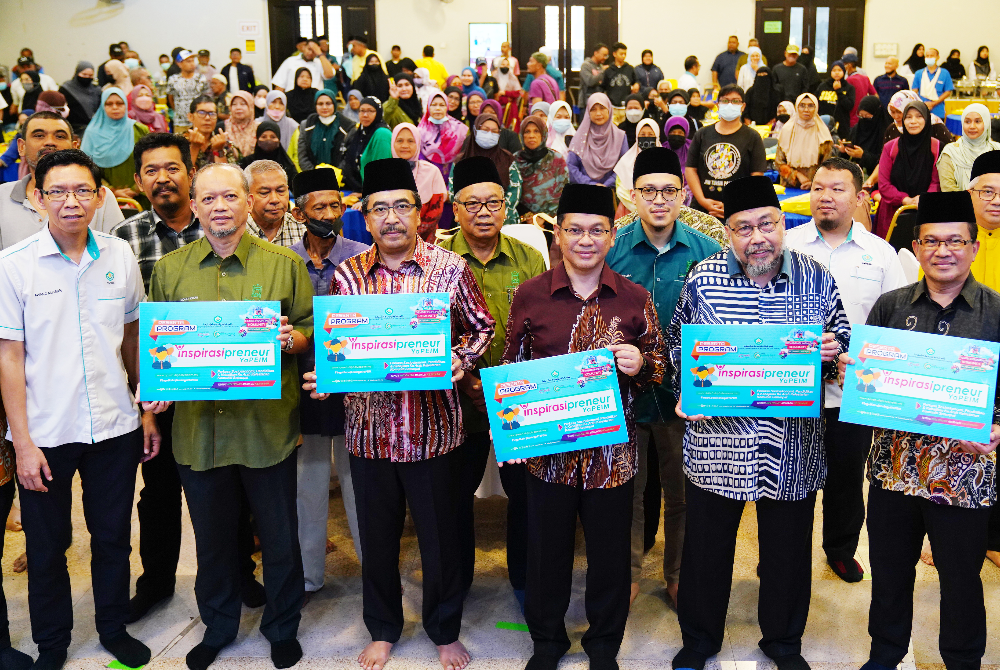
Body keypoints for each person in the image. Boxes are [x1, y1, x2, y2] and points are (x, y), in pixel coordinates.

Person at [302, 157, 493, 670]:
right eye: (379, 208)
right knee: (378, 540)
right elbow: (339, 347)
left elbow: (482, 327)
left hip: (434, 432)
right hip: (369, 434)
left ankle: (444, 630)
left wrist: (456, 361)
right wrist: (328, 376)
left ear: (419, 214)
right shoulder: (346, 275)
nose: (391, 218)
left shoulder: (449, 269)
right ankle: (383, 628)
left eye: (401, 207)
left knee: (440, 540)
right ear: (363, 219)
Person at [667, 174, 850, 670]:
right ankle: (701, 639)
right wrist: (686, 390)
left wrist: (833, 352)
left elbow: (843, 342)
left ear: (783, 224)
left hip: (792, 447)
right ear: (728, 232)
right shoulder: (703, 279)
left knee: (788, 554)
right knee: (706, 552)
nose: (757, 237)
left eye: (766, 224)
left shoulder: (816, 278)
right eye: (743, 228)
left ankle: (784, 643)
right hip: (718, 446)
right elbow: (675, 348)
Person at [145, 162, 312, 670]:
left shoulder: (284, 264)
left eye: (230, 197)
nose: (220, 207)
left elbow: (309, 332)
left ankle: (282, 627)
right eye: (209, 199)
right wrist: (156, 390)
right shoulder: (170, 270)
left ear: (247, 202)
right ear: (194, 206)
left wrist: (294, 339)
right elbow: (159, 348)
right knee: (212, 539)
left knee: (280, 538)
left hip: (267, 430)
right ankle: (218, 626)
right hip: (199, 432)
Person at [500, 182, 666, 670]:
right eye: (575, 230)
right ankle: (547, 642)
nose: (586, 240)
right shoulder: (529, 296)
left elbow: (662, 364)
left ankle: (603, 646)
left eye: (597, 230)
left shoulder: (634, 298)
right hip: (547, 456)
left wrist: (642, 362)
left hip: (613, 459)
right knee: (546, 552)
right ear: (559, 234)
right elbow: (512, 368)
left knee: (610, 557)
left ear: (612, 236)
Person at [0, 148, 153, 670]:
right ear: (39, 197)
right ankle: (53, 643)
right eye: (59, 191)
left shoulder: (118, 256)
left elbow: (132, 334)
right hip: (44, 431)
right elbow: (10, 356)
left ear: (100, 195)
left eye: (83, 190)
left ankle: (112, 628)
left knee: (112, 537)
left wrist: (145, 405)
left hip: (114, 425)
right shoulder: (14, 266)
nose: (72, 202)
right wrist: (21, 442)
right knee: (47, 548)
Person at [837, 190, 999, 670]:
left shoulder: (994, 312)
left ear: (973, 247)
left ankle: (963, 659)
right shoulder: (890, 307)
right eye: (931, 241)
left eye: (955, 241)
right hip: (893, 472)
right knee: (889, 572)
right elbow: (865, 383)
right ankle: (885, 655)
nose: (943, 251)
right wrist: (854, 377)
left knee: (961, 576)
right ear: (917, 246)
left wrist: (997, 429)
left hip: (964, 473)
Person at [111, 132, 266, 622]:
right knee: (157, 492)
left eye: (172, 167)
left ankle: (241, 572)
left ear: (190, 171)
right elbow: (128, 328)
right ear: (138, 180)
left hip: (228, 387)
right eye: (151, 170)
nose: (163, 178)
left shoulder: (227, 224)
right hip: (163, 390)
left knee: (231, 486)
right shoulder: (124, 239)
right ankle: (156, 580)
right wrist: (145, 401)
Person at [607, 147, 721, 607]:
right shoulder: (612, 248)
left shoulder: (707, 252)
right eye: (648, 191)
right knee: (626, 493)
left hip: (682, 395)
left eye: (668, 191)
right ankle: (629, 573)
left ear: (682, 197)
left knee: (681, 494)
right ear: (633, 196)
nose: (659, 200)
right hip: (623, 395)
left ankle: (676, 574)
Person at [785, 158, 906, 582]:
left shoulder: (881, 254)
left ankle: (839, 548)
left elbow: (895, 320)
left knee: (846, 478)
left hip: (854, 388)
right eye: (818, 188)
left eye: (837, 189)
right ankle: (783, 551)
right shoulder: (787, 245)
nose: (825, 197)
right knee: (786, 477)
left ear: (858, 198)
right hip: (790, 389)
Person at [437, 155, 546, 607]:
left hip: (518, 396)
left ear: (507, 207)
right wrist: (462, 378)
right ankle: (456, 582)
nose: (484, 212)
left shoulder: (529, 257)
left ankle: (524, 580)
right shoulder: (437, 262)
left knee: (527, 494)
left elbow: (545, 326)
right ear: (455, 208)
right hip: (456, 396)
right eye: (473, 203)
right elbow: (424, 334)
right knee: (453, 493)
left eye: (493, 202)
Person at [286, 168, 368, 598]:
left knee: (360, 481)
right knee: (310, 483)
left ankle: (375, 570)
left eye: (336, 205)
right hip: (304, 386)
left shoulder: (362, 255)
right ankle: (308, 577)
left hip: (356, 386)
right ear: (299, 213)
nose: (330, 214)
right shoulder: (283, 262)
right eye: (320, 207)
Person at [0, 112, 124, 250]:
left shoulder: (98, 196)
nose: (49, 142)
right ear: (21, 147)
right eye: (39, 135)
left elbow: (117, 255)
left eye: (60, 136)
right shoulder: (2, 196)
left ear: (75, 146)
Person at [686, 84, 767, 218]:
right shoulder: (702, 134)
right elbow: (690, 169)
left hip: (740, 210)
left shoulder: (753, 137)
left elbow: (757, 177)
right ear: (717, 105)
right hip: (702, 208)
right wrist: (702, 201)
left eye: (735, 101)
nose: (730, 104)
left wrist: (735, 204)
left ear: (743, 106)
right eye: (725, 100)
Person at [876, 100, 941, 237]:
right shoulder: (890, 147)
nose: (913, 121)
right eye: (908, 117)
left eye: (919, 116)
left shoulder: (937, 147)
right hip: (892, 214)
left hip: (926, 212)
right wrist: (905, 200)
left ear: (927, 119)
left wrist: (923, 199)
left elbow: (936, 182)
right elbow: (884, 184)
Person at [81, 87, 150, 206]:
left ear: (126, 105)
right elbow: (86, 168)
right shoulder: (92, 134)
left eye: (119, 103)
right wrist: (111, 191)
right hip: (103, 198)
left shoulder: (139, 130)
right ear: (102, 106)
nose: (115, 107)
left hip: (140, 196)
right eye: (109, 104)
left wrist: (136, 188)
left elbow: (151, 161)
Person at [455, 113, 521, 227]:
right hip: (469, 219)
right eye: (485, 130)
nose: (490, 134)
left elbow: (516, 188)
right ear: (475, 130)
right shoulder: (461, 160)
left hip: (505, 220)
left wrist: (498, 211)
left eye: (494, 131)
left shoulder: (507, 158)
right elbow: (454, 192)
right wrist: (474, 209)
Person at [391, 123, 447, 241]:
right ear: (392, 143)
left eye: (411, 141)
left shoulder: (431, 172)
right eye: (400, 140)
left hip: (425, 240)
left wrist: (408, 236)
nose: (405, 145)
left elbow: (435, 212)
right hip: (390, 239)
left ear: (418, 143)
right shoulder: (383, 172)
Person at [514, 114, 569, 220]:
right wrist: (528, 216)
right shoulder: (514, 159)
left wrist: (544, 218)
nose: (531, 136)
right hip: (522, 221)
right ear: (521, 135)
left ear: (543, 134)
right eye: (527, 132)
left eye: (536, 131)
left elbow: (563, 192)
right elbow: (512, 192)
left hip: (552, 221)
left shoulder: (556, 159)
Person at [775, 93, 833, 189]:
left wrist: (813, 182)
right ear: (797, 108)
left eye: (811, 106)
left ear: (816, 108)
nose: (806, 109)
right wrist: (797, 175)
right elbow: (779, 163)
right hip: (789, 188)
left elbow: (827, 166)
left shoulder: (823, 133)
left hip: (816, 188)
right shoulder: (787, 130)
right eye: (802, 106)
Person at [937, 104, 1000, 192]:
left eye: (977, 121)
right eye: (967, 122)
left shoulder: (996, 150)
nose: (972, 126)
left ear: (986, 124)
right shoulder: (951, 152)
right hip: (958, 204)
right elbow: (948, 190)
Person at [569, 93, 628, 187]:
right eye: (593, 109)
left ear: (609, 109)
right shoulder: (580, 137)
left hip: (612, 193)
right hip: (583, 192)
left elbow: (624, 166)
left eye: (602, 108)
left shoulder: (620, 137)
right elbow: (571, 167)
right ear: (588, 112)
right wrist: (591, 184)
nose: (598, 113)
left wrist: (607, 185)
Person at [244, 159, 305, 246]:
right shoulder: (234, 232)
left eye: (280, 191)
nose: (275, 199)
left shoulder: (303, 230)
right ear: (247, 197)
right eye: (264, 192)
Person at [338, 96, 392, 194]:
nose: (365, 115)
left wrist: (366, 198)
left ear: (379, 112)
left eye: (371, 111)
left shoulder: (382, 134)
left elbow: (382, 173)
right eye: (362, 110)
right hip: (358, 190)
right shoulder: (361, 132)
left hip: (376, 194)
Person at [418, 91, 469, 181]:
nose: (438, 108)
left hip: (453, 175)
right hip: (427, 177)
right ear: (428, 107)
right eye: (434, 105)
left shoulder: (460, 129)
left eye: (442, 105)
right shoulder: (419, 131)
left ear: (447, 107)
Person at [614, 118, 663, 212]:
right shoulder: (626, 161)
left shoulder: (666, 160)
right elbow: (621, 191)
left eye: (651, 135)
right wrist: (639, 209)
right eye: (643, 135)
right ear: (637, 136)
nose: (646, 137)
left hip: (659, 210)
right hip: (629, 211)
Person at [298, 89, 350, 171]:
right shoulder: (306, 125)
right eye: (320, 104)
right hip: (313, 177)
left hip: (340, 179)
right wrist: (315, 175)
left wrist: (336, 174)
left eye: (328, 103)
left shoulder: (347, 126)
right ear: (315, 105)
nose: (324, 107)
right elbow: (302, 156)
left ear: (334, 104)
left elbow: (349, 157)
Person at [839, 95, 891, 175]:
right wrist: (844, 151)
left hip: (878, 177)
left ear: (877, 114)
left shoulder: (886, 132)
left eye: (867, 117)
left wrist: (863, 156)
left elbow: (885, 161)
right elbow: (846, 160)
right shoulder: (857, 128)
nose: (864, 120)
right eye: (861, 116)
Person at [184, 96, 240, 169]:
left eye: (212, 113)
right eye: (201, 113)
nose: (207, 118)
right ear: (190, 117)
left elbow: (230, 176)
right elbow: (179, 173)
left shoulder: (223, 143)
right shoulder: (178, 141)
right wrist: (194, 148)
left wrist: (219, 151)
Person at [884, 89, 954, 147]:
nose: (896, 116)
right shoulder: (892, 128)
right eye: (892, 112)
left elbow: (951, 150)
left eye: (899, 112)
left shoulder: (934, 126)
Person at [166, 50, 208, 135]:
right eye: (188, 61)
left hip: (198, 120)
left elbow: (205, 96)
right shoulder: (173, 79)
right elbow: (170, 97)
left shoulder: (201, 78)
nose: (192, 63)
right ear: (179, 64)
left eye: (193, 61)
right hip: (180, 121)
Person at [58, 62, 101, 134]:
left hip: (94, 128)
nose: (87, 77)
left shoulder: (96, 90)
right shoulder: (66, 89)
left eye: (90, 75)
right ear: (77, 73)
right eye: (84, 74)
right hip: (72, 128)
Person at [912, 48, 954, 120]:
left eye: (931, 56)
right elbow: (914, 91)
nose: (929, 58)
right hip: (921, 110)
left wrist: (933, 103)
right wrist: (923, 104)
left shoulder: (944, 73)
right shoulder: (919, 73)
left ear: (937, 57)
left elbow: (948, 91)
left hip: (938, 110)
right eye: (927, 56)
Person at [815, 61, 855, 136]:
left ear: (843, 72)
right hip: (823, 123)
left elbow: (849, 106)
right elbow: (816, 103)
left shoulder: (849, 88)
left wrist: (839, 91)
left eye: (839, 70)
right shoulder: (823, 86)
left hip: (841, 126)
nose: (836, 73)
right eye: (834, 70)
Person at [841, 54, 876, 128]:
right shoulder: (865, 78)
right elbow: (875, 96)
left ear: (849, 65)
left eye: (843, 65)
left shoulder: (848, 80)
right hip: (864, 116)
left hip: (851, 118)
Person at [602, 43, 639, 108]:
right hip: (612, 105)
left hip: (626, 105)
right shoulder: (608, 70)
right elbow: (603, 86)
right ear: (614, 54)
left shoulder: (630, 69)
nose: (623, 56)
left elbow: (636, 81)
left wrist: (637, 84)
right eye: (621, 54)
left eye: (625, 54)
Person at [224, 90, 259, 158]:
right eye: (234, 104)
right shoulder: (222, 127)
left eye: (243, 104)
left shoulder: (259, 128)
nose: (238, 108)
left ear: (251, 107)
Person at [579, 43, 609, 110]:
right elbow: (590, 81)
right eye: (604, 55)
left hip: (599, 102)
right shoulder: (586, 65)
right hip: (586, 104)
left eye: (606, 56)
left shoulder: (601, 66)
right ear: (595, 53)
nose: (605, 58)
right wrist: (602, 72)